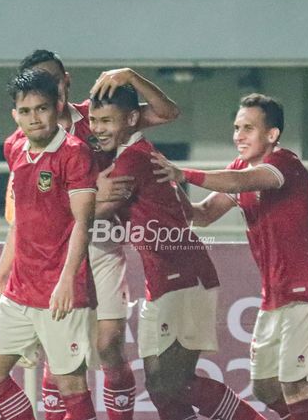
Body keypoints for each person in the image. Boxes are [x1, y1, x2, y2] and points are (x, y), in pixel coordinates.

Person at [0, 49, 182, 420]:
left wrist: (131, 76)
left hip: (101, 242)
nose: (51, 88)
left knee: (109, 345)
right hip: (52, 252)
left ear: (66, 80)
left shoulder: (96, 118)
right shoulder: (23, 141)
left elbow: (167, 113)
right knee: (58, 355)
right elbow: (27, 215)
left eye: (55, 79)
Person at [151, 93, 308, 420]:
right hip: (274, 296)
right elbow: (203, 213)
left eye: (248, 128)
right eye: (236, 127)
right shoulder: (240, 165)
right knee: (266, 386)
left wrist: (183, 173)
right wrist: (167, 187)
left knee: (295, 387)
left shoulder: (284, 164)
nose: (238, 135)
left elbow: (242, 182)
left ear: (272, 135)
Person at [89, 85, 267, 420]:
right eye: (94, 121)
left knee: (173, 383)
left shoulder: (132, 159)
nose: (98, 129)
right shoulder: (140, 154)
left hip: (184, 278)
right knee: (160, 388)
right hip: (164, 281)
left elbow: (90, 211)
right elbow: (189, 215)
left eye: (107, 121)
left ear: (130, 119)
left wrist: (46, 210)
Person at [0, 68, 99, 420]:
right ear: (15, 114)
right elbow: (21, 221)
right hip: (20, 291)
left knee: (71, 388)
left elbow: (82, 222)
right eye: (25, 112)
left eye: (41, 109)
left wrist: (66, 281)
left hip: (62, 293)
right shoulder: (13, 147)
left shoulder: (75, 153)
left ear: (57, 107)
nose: (34, 118)